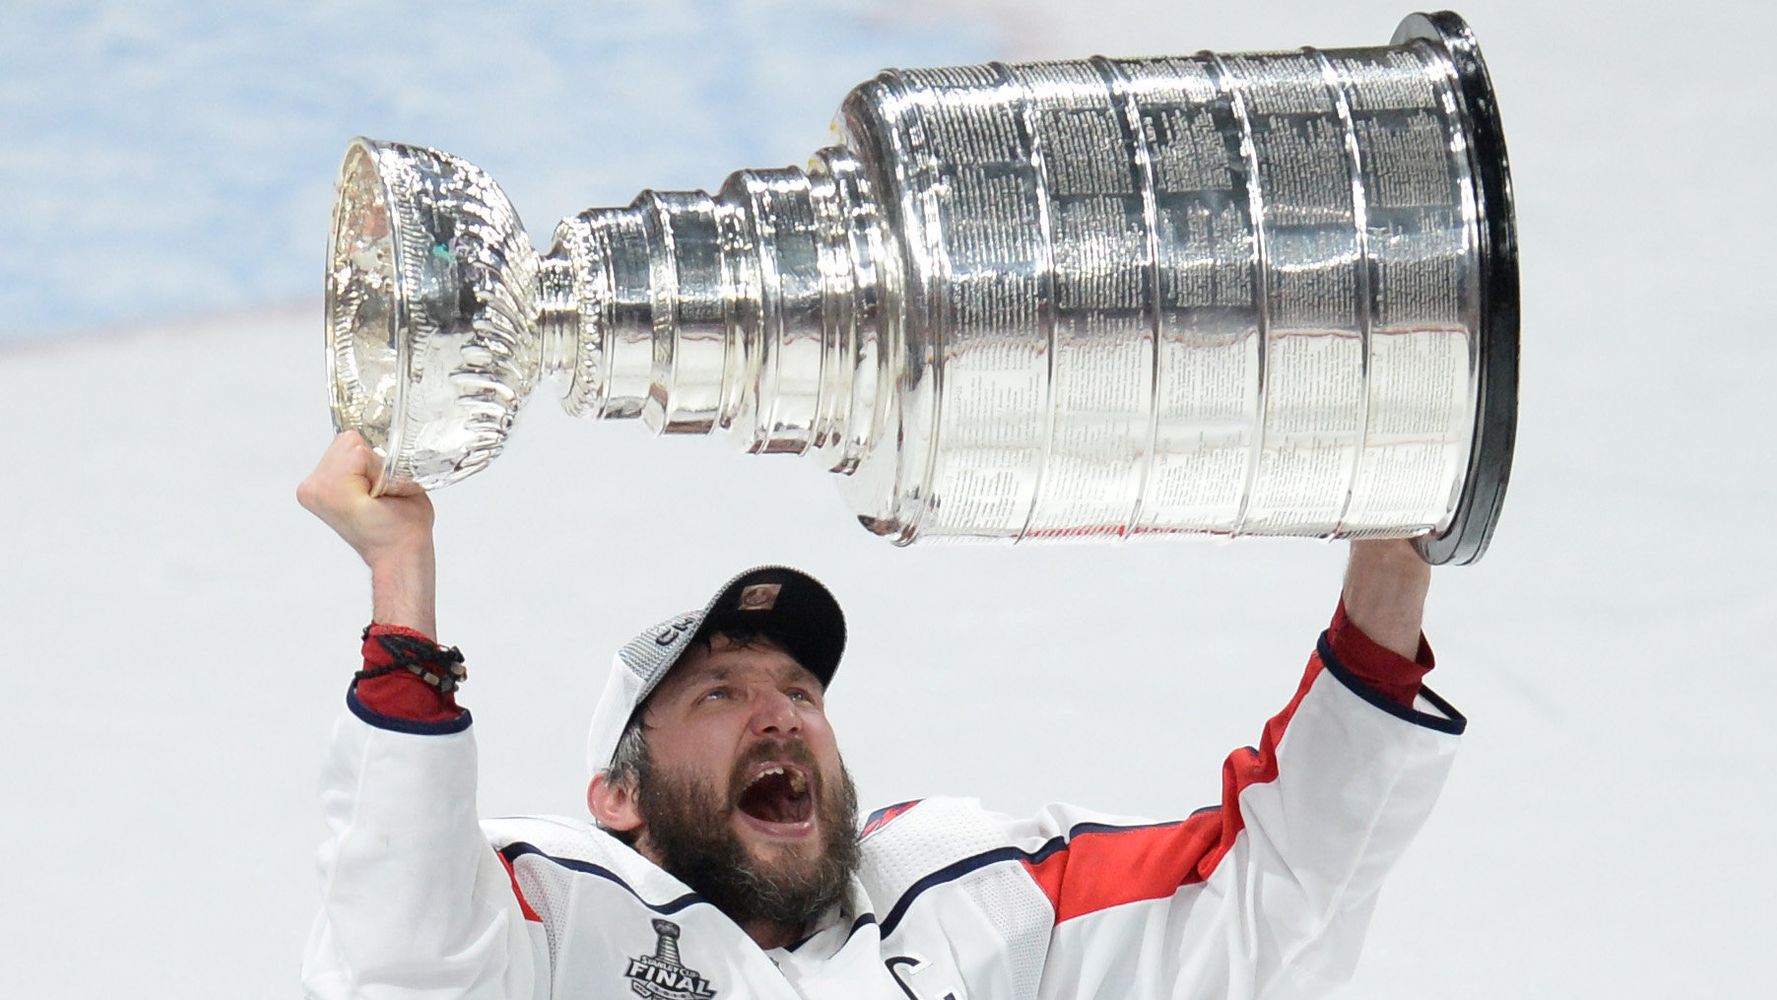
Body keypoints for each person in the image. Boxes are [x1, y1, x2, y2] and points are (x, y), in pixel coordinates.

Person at [297, 430, 1464, 1000]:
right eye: (719, 691)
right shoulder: (563, 917)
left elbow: (1271, 906)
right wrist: (403, 581)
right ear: (619, 796)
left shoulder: (965, 903)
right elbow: (398, 949)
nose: (780, 716)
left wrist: (1392, 557)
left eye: (799, 691)